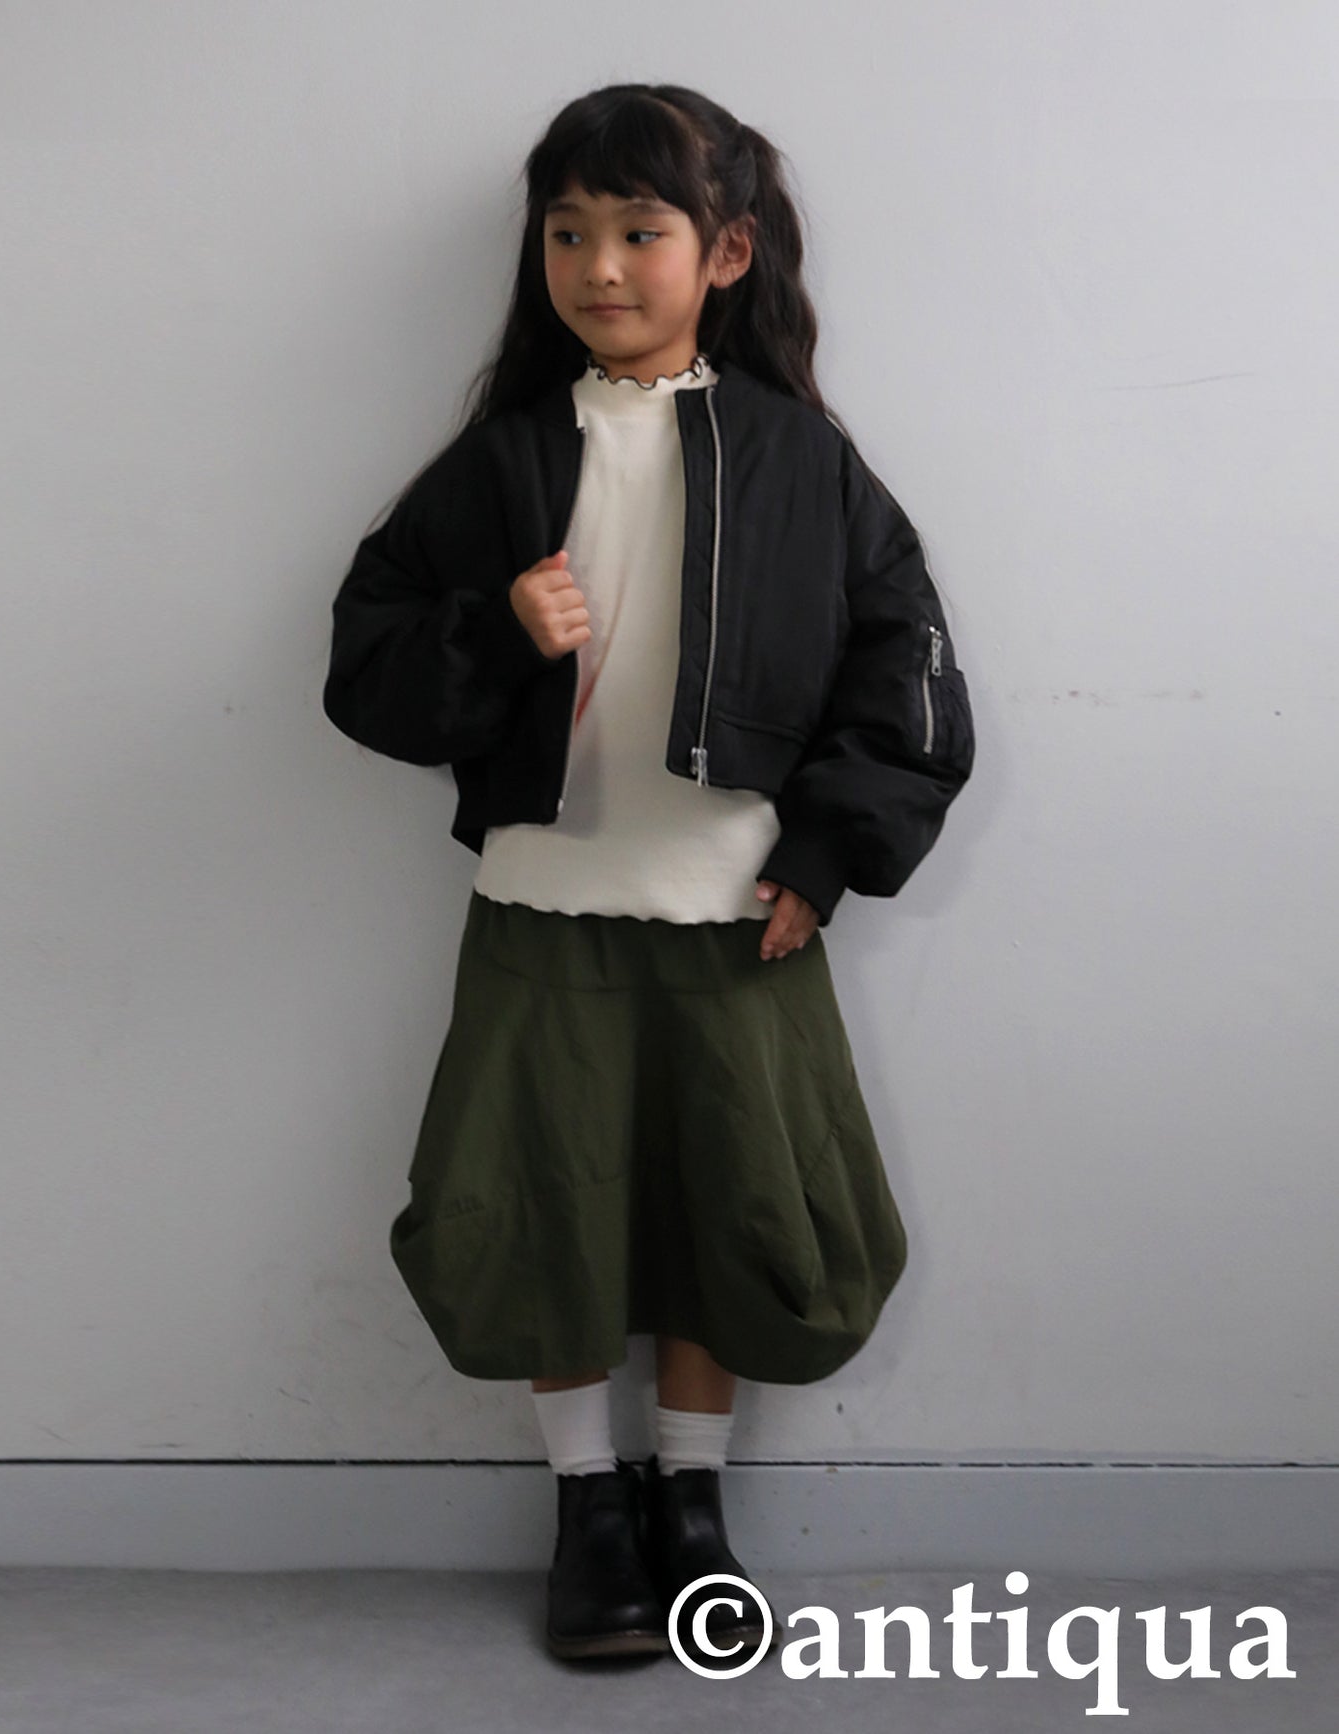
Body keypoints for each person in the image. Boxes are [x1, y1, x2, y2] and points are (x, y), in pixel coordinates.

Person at [322, 82, 976, 1663]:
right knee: (536, 1210)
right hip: (540, 911)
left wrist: (824, 853)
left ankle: (691, 1502)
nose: (599, 266)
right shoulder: (497, 464)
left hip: (738, 918)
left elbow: (903, 666)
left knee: (725, 1208)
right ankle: (586, 1511)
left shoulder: (801, 465)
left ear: (725, 252)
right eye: (567, 233)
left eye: (638, 230)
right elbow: (365, 662)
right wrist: (496, 631)